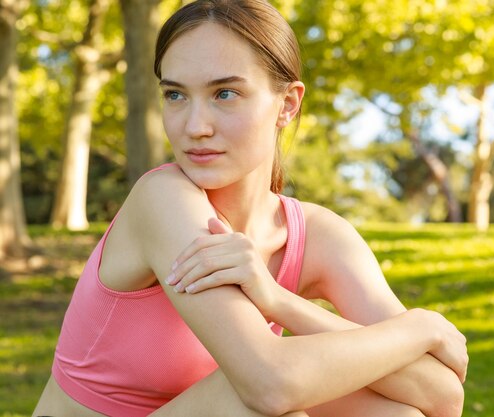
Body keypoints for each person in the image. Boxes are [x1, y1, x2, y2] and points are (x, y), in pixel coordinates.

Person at [33, 1, 468, 416]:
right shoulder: (162, 199)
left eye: (224, 94)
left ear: (288, 104)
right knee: (259, 404)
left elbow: (442, 396)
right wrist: (419, 328)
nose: (194, 127)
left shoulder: (318, 236)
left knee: (392, 412)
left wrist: (279, 301)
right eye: (176, 96)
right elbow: (269, 384)